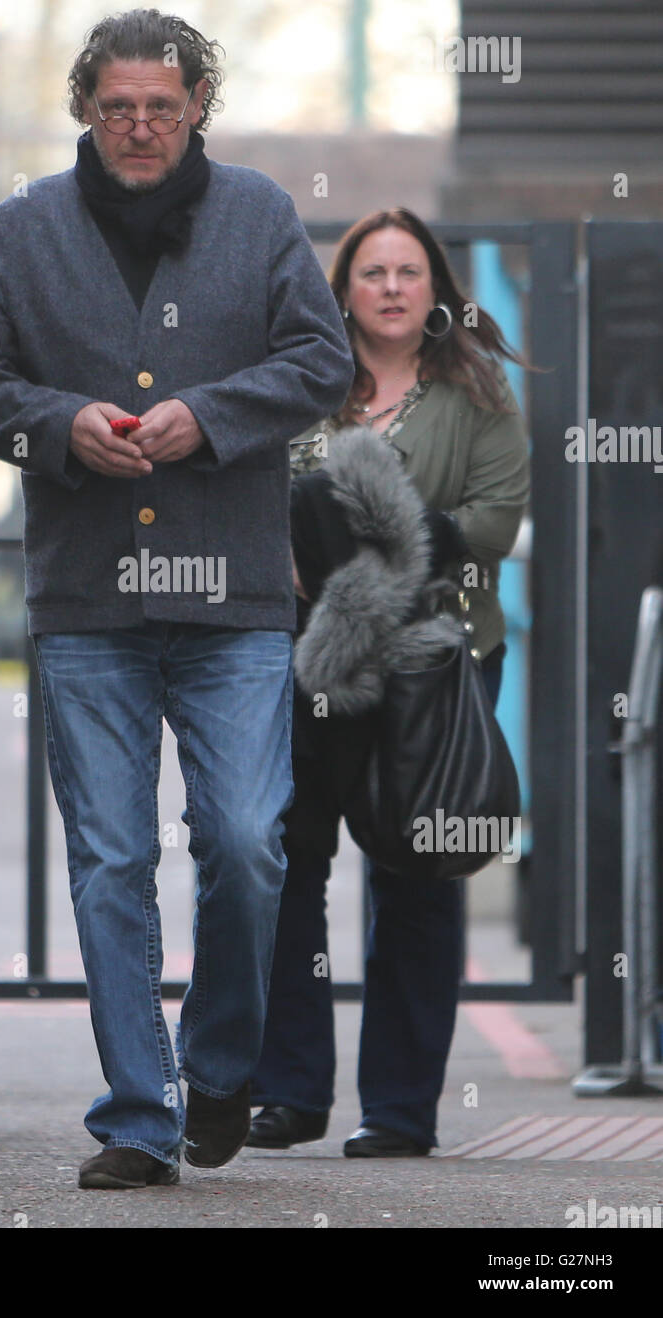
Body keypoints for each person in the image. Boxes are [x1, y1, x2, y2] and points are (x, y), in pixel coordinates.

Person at [0, 8, 354, 1189]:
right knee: (111, 857)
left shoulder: (261, 215)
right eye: (118, 105)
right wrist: (59, 424)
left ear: (197, 108)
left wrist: (211, 417)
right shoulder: (24, 228)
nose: (139, 126)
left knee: (245, 844)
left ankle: (218, 1069)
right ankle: (137, 1113)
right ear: (85, 106)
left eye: (162, 107)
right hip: (89, 604)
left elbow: (321, 361)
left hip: (234, 601)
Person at [246, 207, 531, 1158]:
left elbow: (492, 525)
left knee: (417, 877)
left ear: (437, 291)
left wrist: (371, 544)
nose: (394, 288)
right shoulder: (302, 387)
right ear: (344, 291)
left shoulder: (478, 392)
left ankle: (400, 1110)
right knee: (285, 867)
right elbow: (260, 507)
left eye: (410, 272)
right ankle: (288, 1091)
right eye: (374, 273)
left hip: (437, 664)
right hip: (305, 661)